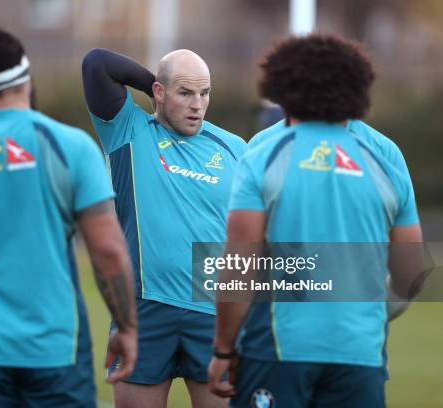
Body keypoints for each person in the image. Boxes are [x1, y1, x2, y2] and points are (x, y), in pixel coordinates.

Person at [0, 29, 137, 408]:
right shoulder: (71, 146)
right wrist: (128, 327)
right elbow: (109, 252)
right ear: (26, 76)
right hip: (55, 347)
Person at [208, 33, 423, 408]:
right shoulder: (386, 157)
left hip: (276, 352)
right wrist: (366, 314)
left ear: (280, 87)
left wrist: (224, 349)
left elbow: (240, 267)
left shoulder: (262, 153)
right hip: (360, 355)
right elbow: (412, 273)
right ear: (359, 88)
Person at [82, 48, 247, 407]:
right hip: (144, 310)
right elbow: (96, 63)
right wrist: (156, 84)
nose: (197, 105)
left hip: (212, 314)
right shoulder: (127, 131)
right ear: (158, 92)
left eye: (204, 93)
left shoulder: (234, 149)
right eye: (185, 93)